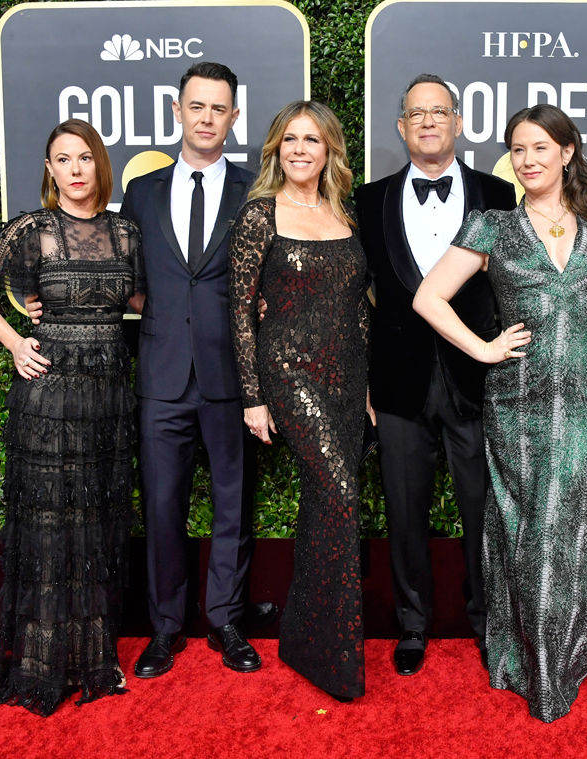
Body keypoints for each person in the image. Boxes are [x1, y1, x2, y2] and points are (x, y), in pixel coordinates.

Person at [413, 104, 587, 723]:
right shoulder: (491, 226)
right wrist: (484, 347)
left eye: (541, 147)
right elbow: (427, 297)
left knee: (567, 518)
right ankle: (539, 664)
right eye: (518, 150)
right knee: (529, 524)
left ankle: (575, 643)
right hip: (517, 401)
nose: (528, 160)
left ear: (567, 153)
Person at [0, 120, 143, 716]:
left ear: (99, 164)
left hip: (109, 397)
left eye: (85, 157)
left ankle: (92, 653)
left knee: (98, 520)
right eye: (63, 159)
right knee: (49, 524)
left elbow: (145, 301)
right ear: (50, 170)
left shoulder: (126, 233)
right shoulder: (32, 229)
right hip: (50, 397)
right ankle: (40, 660)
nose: (76, 169)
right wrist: (14, 340)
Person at [353, 74, 516, 676]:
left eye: (439, 112)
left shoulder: (500, 195)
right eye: (415, 114)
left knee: (483, 509)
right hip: (396, 382)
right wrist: (362, 381)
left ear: (459, 124)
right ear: (400, 127)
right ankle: (413, 624)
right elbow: (354, 298)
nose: (427, 122)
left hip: (477, 378)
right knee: (404, 509)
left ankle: (486, 622)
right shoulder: (368, 202)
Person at [121, 62, 260, 676]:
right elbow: (125, 279)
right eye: (196, 106)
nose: (207, 118)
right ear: (177, 112)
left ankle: (226, 621)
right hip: (160, 375)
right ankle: (165, 627)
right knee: (162, 505)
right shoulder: (141, 192)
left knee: (234, 503)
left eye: (219, 108)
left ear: (234, 117)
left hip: (232, 375)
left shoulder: (256, 192)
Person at [227, 100, 369, 701]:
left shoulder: (344, 212)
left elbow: (360, 306)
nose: (300, 150)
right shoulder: (261, 214)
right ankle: (333, 654)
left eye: (312, 140)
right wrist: (253, 397)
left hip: (347, 378)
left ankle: (303, 636)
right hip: (289, 373)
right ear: (276, 150)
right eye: (290, 141)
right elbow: (238, 308)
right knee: (338, 494)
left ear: (329, 149)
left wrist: (365, 390)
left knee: (324, 503)